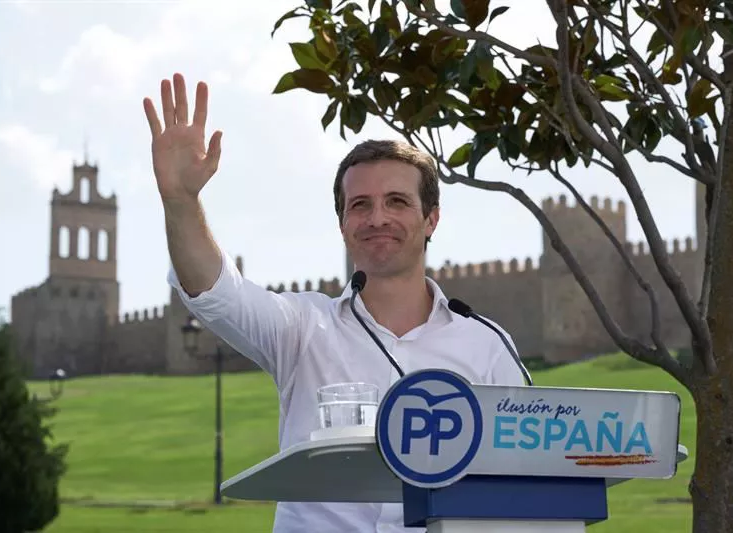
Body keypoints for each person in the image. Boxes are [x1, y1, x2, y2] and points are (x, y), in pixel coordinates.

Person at [143, 73, 525, 533]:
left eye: (397, 201)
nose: (377, 218)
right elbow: (214, 292)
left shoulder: (487, 345)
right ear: (343, 223)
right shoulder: (302, 328)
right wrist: (181, 201)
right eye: (360, 205)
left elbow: (530, 477)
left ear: (431, 219)